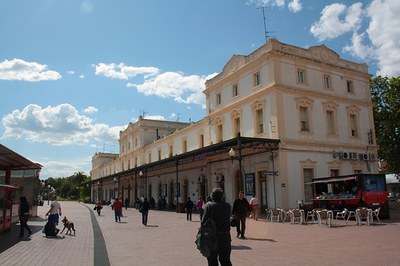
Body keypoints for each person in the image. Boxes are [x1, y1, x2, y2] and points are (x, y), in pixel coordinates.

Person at [202, 188, 232, 266]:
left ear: (212, 196)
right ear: (222, 197)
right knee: (225, 260)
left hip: (212, 237)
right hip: (225, 237)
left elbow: (203, 222)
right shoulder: (227, 206)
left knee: (212, 261)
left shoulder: (209, 206)